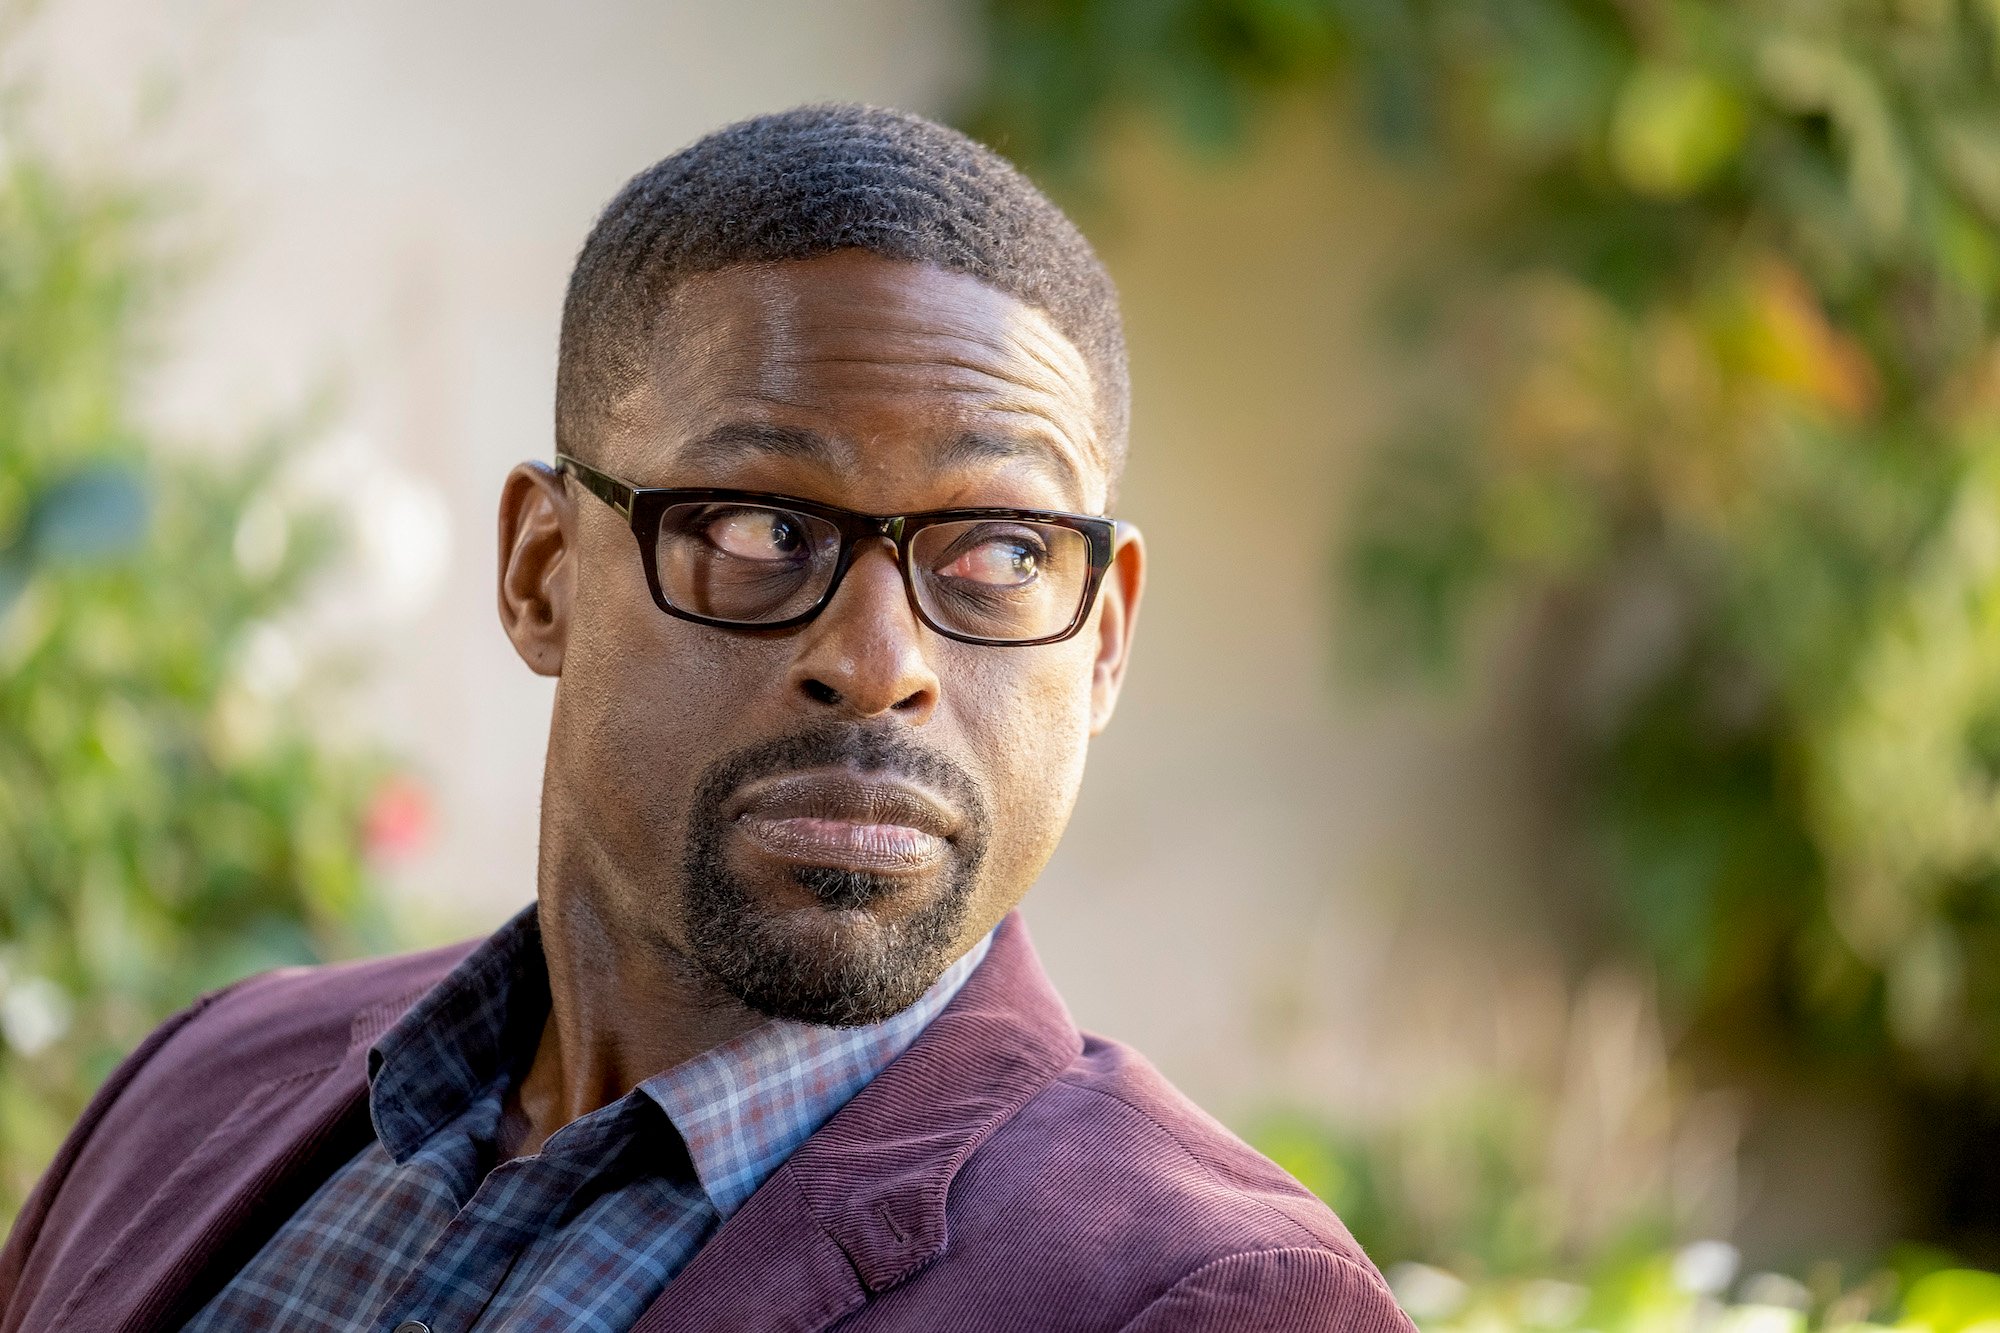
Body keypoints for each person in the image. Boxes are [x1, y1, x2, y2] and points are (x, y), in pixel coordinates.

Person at [0, 106, 1411, 1333]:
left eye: (996, 553)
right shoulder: (198, 1086)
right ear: (543, 571)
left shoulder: (1207, 1303)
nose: (878, 661)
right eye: (759, 525)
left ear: (1102, 641)